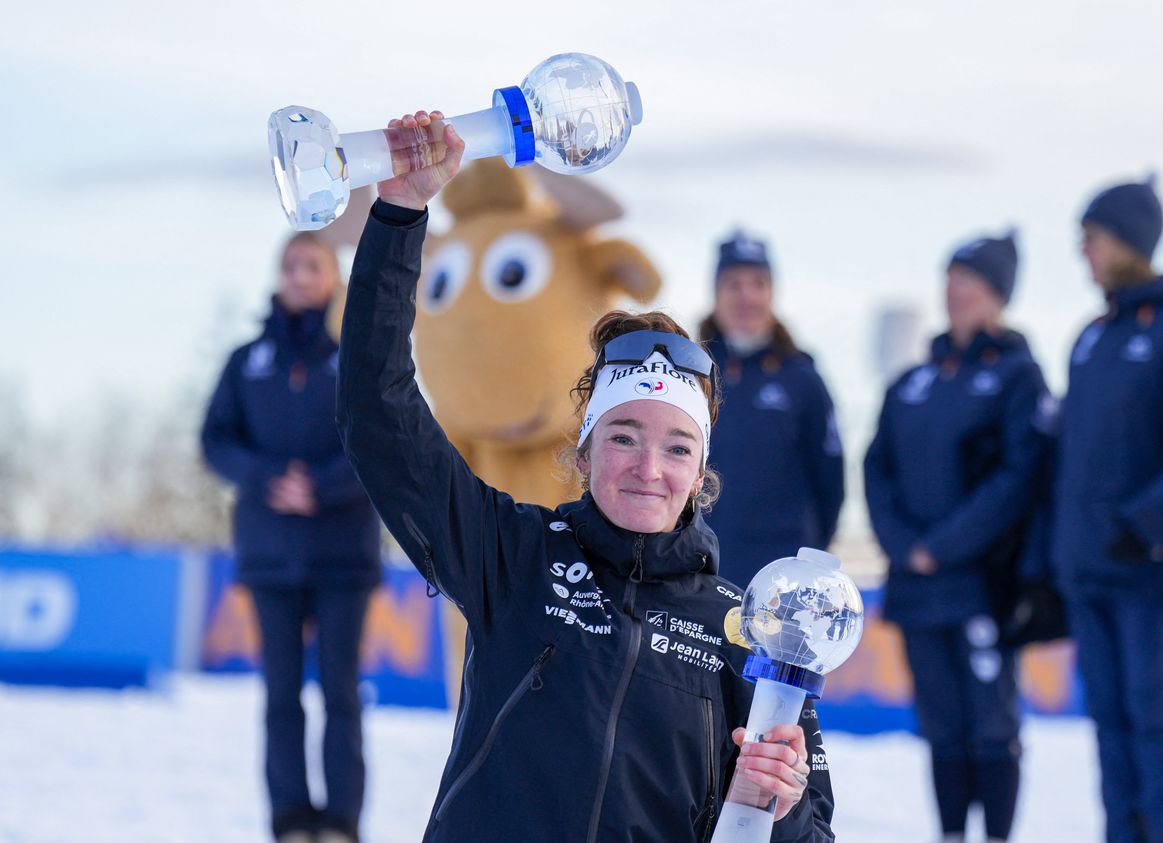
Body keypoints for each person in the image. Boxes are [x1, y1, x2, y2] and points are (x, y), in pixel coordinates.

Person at [335, 111, 833, 842]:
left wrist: (779, 807)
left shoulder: (749, 634)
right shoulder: (512, 555)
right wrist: (403, 212)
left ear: (700, 471)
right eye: (623, 436)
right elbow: (376, 412)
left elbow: (811, 833)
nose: (646, 468)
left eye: (675, 448)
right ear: (585, 450)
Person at [864, 232, 1051, 843]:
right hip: (918, 589)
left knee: (991, 726)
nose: (954, 292)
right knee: (941, 727)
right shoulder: (913, 384)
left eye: (969, 280)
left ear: (998, 294)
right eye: (949, 278)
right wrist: (901, 545)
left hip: (982, 585)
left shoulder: (1018, 376)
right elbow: (877, 467)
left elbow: (1019, 476)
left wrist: (941, 545)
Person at [1046, 177, 1163, 843]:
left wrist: (1145, 524)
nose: (1083, 252)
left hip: (1150, 567)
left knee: (1152, 717)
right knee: (1109, 721)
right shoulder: (1091, 337)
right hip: (1088, 567)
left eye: (1091, 238)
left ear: (1127, 240)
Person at [202, 231, 381, 843]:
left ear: (333, 277)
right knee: (280, 696)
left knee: (341, 696)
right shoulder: (246, 361)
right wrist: (267, 478)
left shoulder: (360, 358)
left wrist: (324, 487)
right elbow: (215, 442)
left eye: (312, 265)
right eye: (290, 265)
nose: (299, 276)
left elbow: (379, 442)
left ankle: (341, 823)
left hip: (344, 556)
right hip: (268, 553)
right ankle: (289, 820)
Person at [698, 229, 845, 586]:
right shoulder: (692, 372)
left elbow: (831, 483)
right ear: (716, 293)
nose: (747, 296)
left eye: (758, 284)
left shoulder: (802, 378)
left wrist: (806, 558)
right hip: (700, 570)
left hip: (779, 580)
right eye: (734, 284)